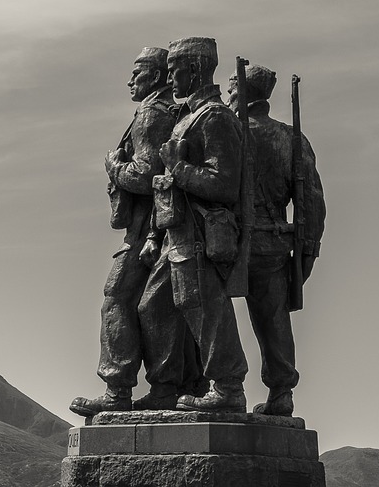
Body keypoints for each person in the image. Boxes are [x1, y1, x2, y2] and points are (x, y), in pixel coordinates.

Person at [138, 36, 250, 413]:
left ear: (197, 70)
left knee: (205, 307)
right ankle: (166, 387)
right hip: (175, 232)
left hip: (201, 234)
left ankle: (229, 387)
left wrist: (179, 167)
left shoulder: (215, 117)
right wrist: (155, 232)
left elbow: (223, 184)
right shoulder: (188, 116)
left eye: (175, 71)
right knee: (154, 307)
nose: (170, 79)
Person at [70, 47, 181, 417]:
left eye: (139, 72)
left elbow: (146, 174)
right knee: (159, 307)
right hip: (161, 227)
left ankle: (117, 390)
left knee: (116, 296)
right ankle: (167, 387)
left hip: (149, 229)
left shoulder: (151, 112)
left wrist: (114, 167)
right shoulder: (168, 109)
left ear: (156, 76)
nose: (130, 80)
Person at [228, 64, 326, 416]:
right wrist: (308, 250)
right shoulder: (291, 138)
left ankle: (220, 386)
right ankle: (281, 392)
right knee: (274, 320)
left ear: (242, 92)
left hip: (229, 244)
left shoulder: (230, 133)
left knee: (211, 312)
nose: (227, 94)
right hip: (273, 244)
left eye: (231, 88)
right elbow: (311, 202)